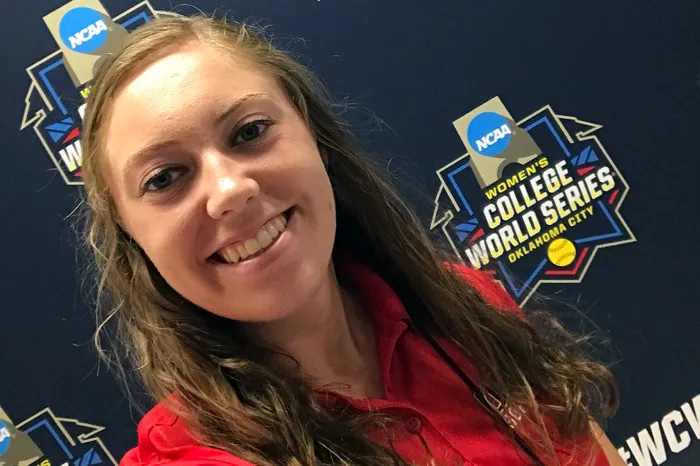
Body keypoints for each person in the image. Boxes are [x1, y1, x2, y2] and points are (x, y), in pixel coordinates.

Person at [80, 13, 626, 466]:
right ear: (133, 237)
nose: (229, 190)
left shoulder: (461, 303)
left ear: (314, 137)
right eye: (165, 178)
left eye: (249, 132)